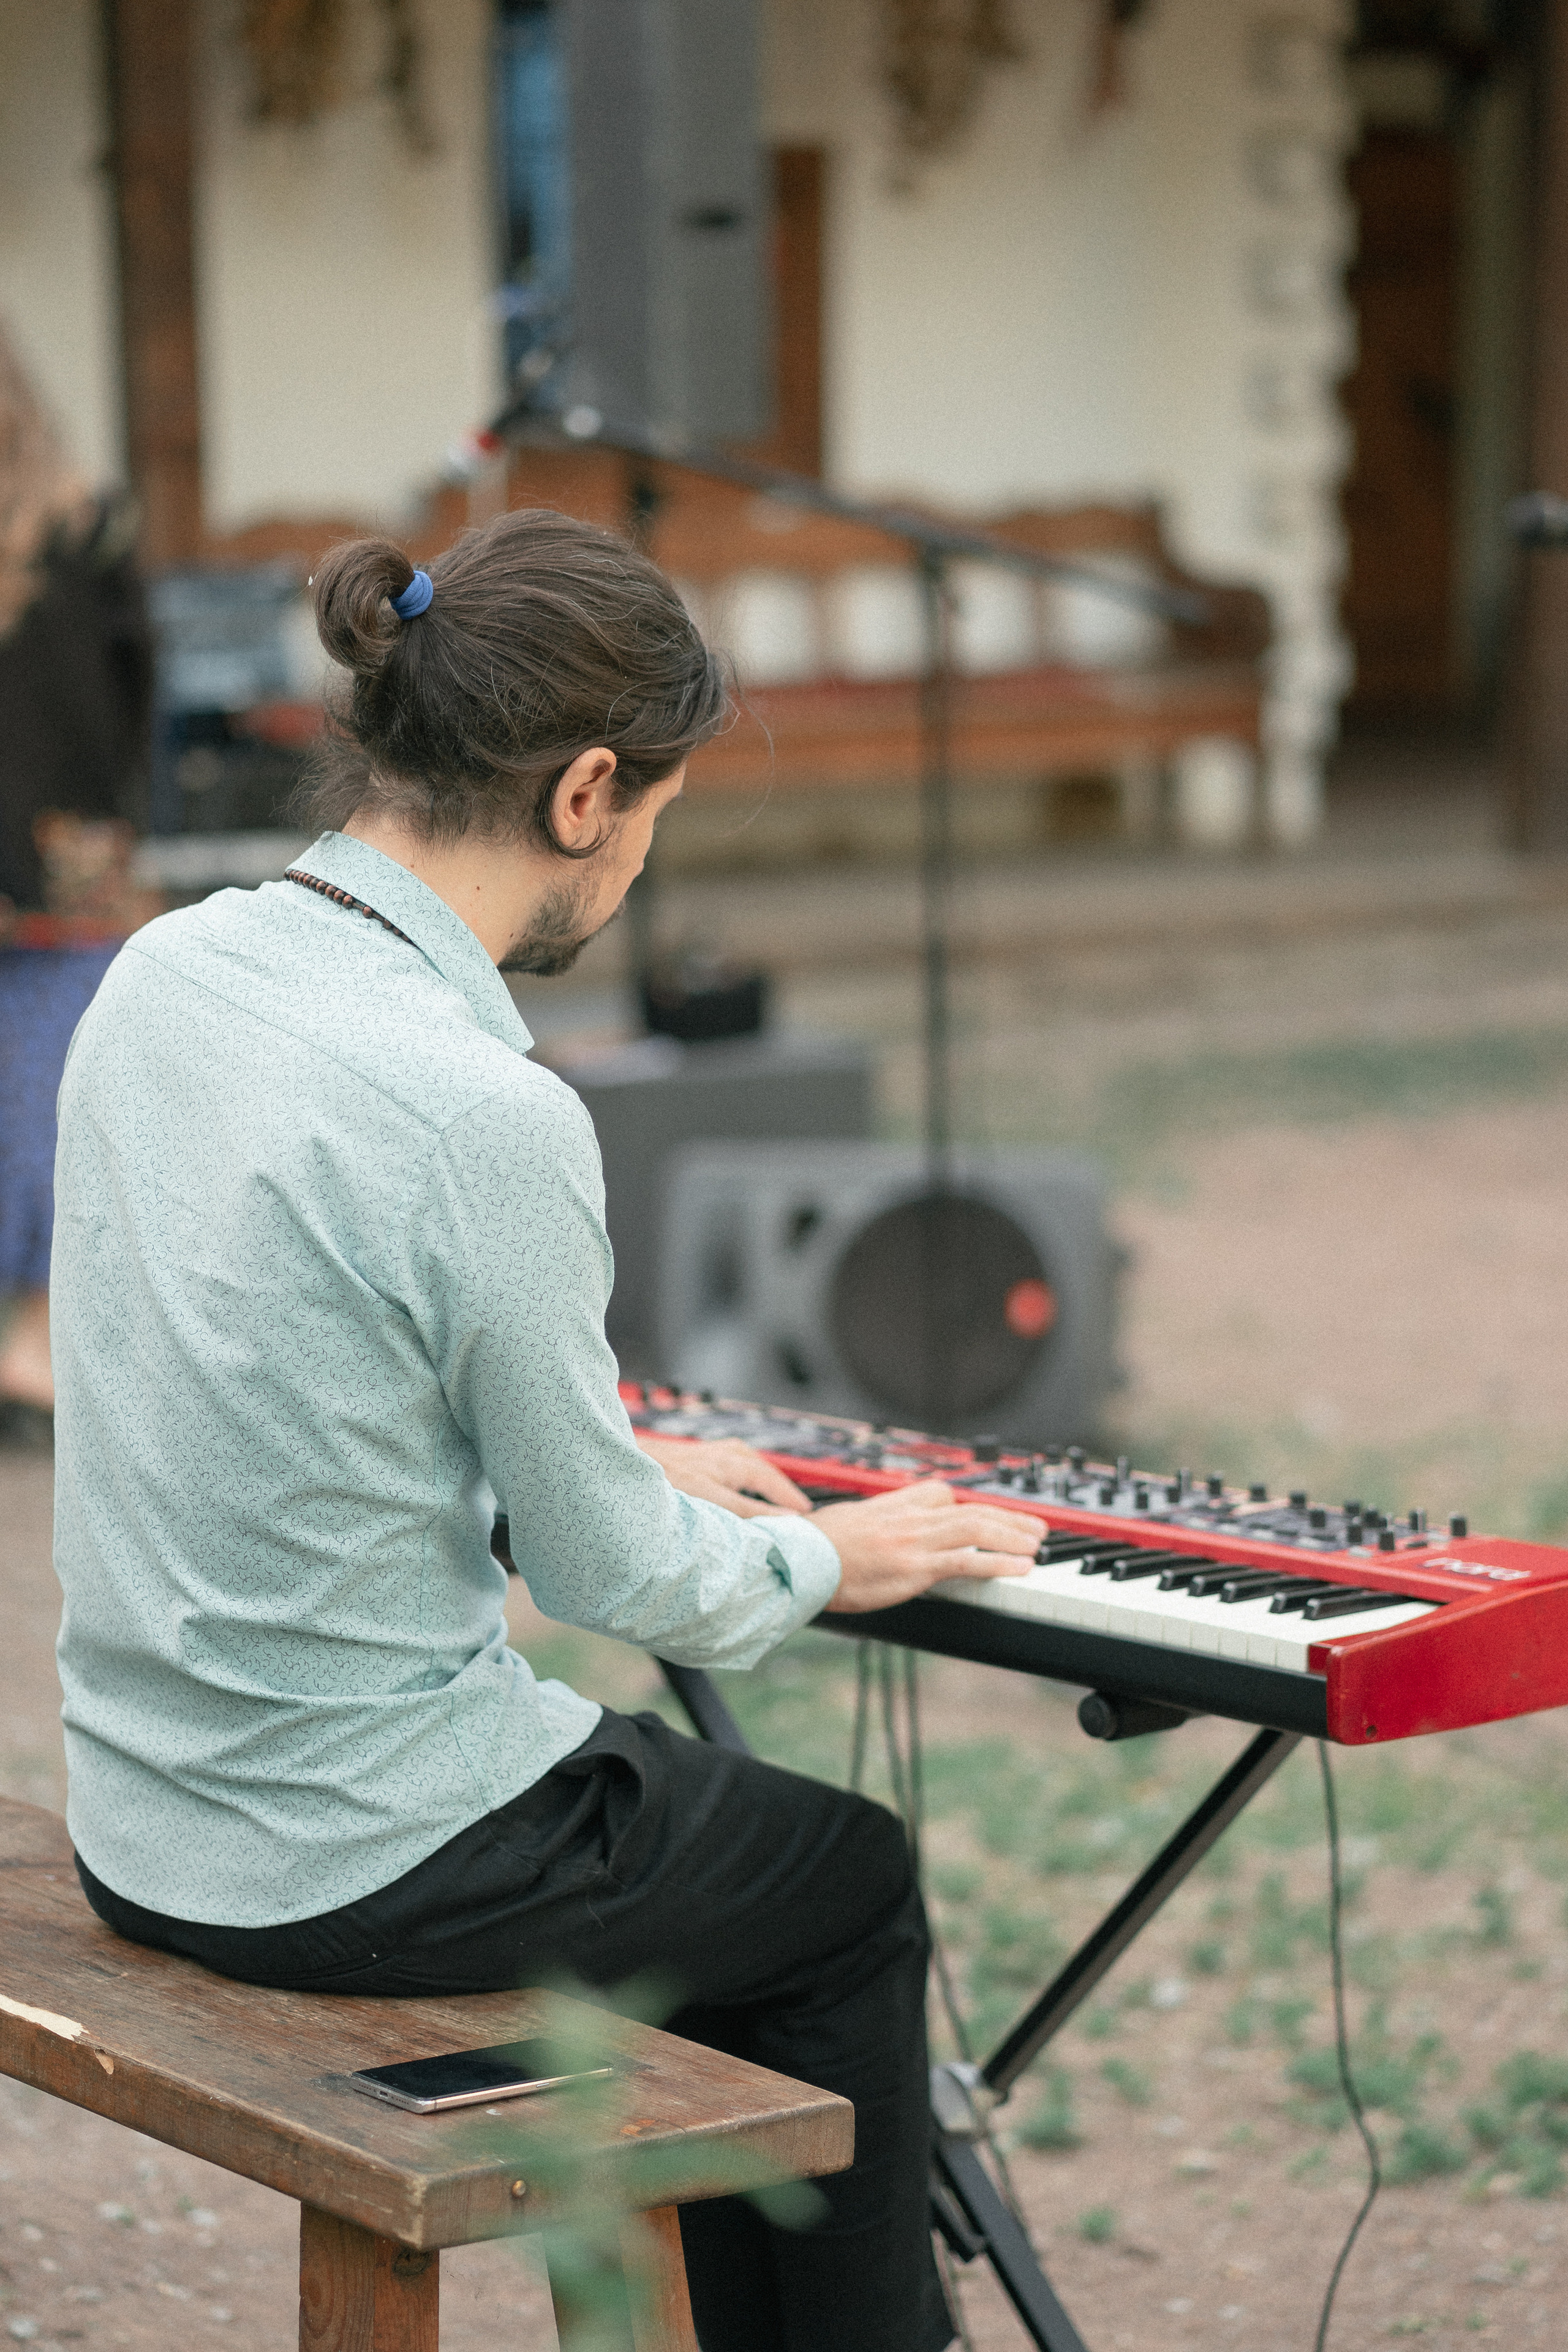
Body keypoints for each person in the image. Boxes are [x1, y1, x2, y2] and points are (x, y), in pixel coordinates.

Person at [50, 510, 1043, 2352]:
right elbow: (603, 1580)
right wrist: (838, 1555)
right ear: (587, 790)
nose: (641, 864)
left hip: (145, 1805)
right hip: (337, 1852)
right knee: (841, 1880)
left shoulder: (169, 978)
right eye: (655, 814)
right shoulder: (479, 1106)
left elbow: (255, 1360)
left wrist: (616, 1453)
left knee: (714, 1856)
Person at [0, 324, 156, 1440]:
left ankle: (35, 1339)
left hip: (62, 865)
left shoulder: (85, 526)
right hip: (70, 851)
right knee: (54, 1093)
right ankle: (34, 1340)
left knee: (55, 1095)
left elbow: (131, 683)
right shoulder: (87, 525)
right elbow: (135, 684)